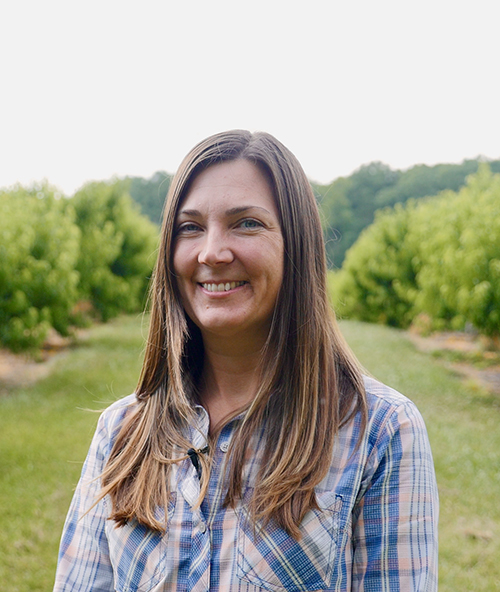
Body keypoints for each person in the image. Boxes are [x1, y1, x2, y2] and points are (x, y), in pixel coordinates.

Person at [53, 130, 438, 592]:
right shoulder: (122, 432)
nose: (212, 251)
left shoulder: (379, 431)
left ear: (296, 245)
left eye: (246, 223)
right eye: (190, 227)